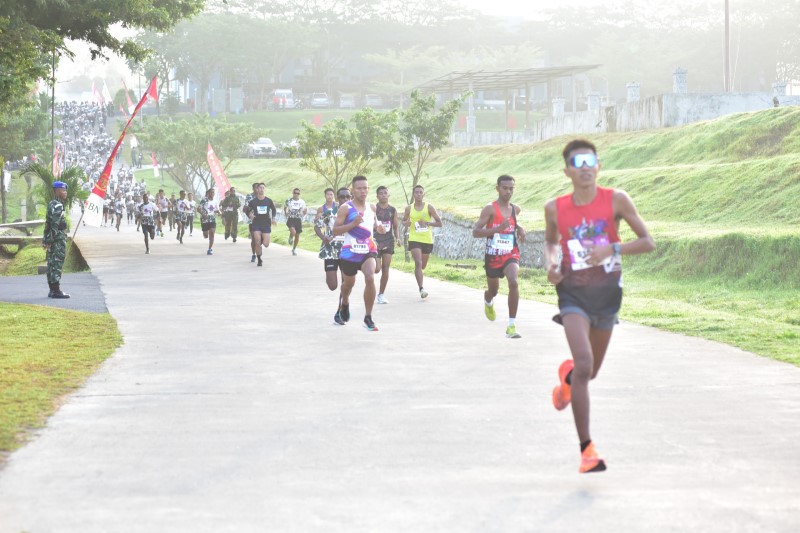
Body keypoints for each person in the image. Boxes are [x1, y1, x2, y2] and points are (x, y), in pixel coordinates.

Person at [545, 139, 655, 474]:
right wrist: (552, 265)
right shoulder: (555, 208)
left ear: (598, 166)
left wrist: (612, 249)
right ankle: (587, 450)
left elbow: (648, 242)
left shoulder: (616, 200)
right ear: (568, 171)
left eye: (590, 161)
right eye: (577, 163)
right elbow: (551, 241)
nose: (585, 168)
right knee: (584, 361)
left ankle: (566, 382)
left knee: (587, 373)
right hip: (573, 294)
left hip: (607, 295)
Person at [473, 175, 526, 339]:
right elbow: (476, 232)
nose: (508, 192)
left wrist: (520, 227)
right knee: (494, 291)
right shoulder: (489, 209)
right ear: (497, 188)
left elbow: (512, 222)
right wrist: (496, 230)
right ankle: (488, 298)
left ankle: (511, 326)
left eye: (511, 188)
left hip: (510, 253)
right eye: (505, 188)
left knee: (514, 281)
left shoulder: (515, 209)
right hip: (493, 256)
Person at [332, 176, 386, 331]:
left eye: (366, 188)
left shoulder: (372, 207)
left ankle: (368, 317)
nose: (363, 191)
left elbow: (375, 224)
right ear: (353, 190)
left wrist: (379, 228)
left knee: (370, 277)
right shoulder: (346, 208)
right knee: (348, 284)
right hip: (349, 252)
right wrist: (352, 224)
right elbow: (335, 231)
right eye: (359, 188)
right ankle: (345, 302)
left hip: (368, 249)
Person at [403, 184, 442, 299]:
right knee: (418, 263)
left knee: (422, 266)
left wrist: (427, 223)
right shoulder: (408, 208)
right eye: (416, 192)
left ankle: (419, 276)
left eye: (421, 192)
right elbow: (404, 221)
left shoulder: (429, 207)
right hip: (414, 238)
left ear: (423, 194)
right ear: (413, 194)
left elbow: (440, 223)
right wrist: (406, 224)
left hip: (427, 239)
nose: (419, 194)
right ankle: (421, 289)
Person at [313, 187, 346, 290]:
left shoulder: (352, 213)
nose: (345, 199)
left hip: (346, 249)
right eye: (342, 197)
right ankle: (329, 276)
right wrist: (323, 237)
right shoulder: (328, 212)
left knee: (347, 283)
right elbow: (317, 226)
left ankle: (344, 303)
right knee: (332, 286)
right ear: (338, 198)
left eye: (347, 197)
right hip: (330, 249)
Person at [43, 181, 70, 298]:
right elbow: (54, 225)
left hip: (52, 239)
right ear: (58, 191)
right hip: (57, 240)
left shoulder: (51, 203)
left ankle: (52, 290)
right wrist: (50, 241)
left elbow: (47, 224)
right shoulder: (58, 205)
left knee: (51, 264)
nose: (65, 192)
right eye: (63, 190)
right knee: (57, 264)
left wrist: (45, 239)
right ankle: (56, 291)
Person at [374, 185, 399, 304]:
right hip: (375, 241)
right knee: (377, 269)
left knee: (386, 268)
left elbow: (395, 226)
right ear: (377, 196)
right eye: (381, 193)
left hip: (388, 241)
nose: (383, 195)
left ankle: (381, 294)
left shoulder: (392, 210)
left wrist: (398, 238)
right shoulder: (374, 209)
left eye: (385, 193)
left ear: (388, 195)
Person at [247, 183, 277, 267]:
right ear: (257, 189)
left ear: (265, 189)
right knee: (257, 241)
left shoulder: (268, 200)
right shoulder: (253, 201)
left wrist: (273, 218)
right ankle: (259, 259)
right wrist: (250, 214)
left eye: (263, 188)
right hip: (256, 223)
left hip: (266, 224)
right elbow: (247, 210)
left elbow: (274, 210)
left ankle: (260, 243)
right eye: (260, 188)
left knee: (266, 244)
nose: (261, 189)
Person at [284, 187, 307, 255]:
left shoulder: (302, 201)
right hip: (291, 218)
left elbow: (304, 209)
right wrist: (286, 212)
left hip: (298, 219)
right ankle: (291, 236)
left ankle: (294, 249)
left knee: (297, 235)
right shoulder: (289, 200)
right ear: (293, 193)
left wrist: (304, 213)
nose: (296, 194)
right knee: (293, 232)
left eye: (298, 193)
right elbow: (286, 208)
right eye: (295, 193)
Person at [198, 188, 220, 255]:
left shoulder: (216, 201)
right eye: (211, 192)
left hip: (212, 218)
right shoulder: (204, 200)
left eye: (213, 192)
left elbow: (217, 210)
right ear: (208, 193)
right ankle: (205, 233)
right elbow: (198, 209)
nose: (212, 194)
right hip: (205, 219)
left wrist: (220, 212)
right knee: (206, 235)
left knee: (212, 232)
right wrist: (203, 214)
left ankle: (210, 249)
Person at [243, 183, 259, 261]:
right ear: (253, 189)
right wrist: (248, 212)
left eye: (259, 187)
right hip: (252, 220)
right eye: (256, 188)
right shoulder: (249, 196)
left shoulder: (262, 197)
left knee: (259, 239)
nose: (258, 189)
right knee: (254, 239)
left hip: (262, 220)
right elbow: (246, 207)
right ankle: (253, 254)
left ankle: (258, 248)